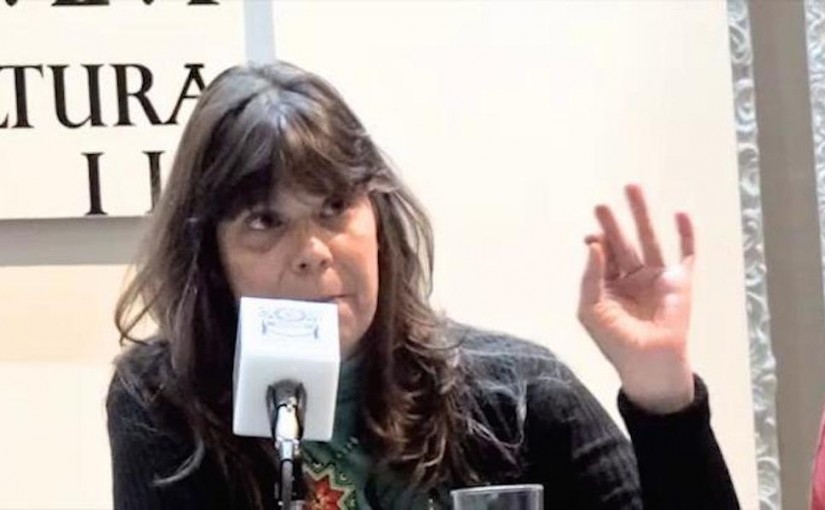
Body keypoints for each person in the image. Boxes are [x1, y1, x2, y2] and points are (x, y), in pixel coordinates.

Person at [106, 61, 740, 509]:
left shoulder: (517, 395)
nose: (313, 253)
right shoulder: (164, 401)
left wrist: (664, 400)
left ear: (378, 220)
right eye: (266, 222)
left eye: (334, 208)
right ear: (211, 256)